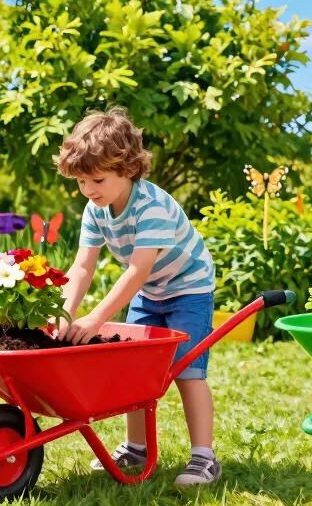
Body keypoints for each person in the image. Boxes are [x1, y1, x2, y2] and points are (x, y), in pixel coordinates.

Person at [54, 106, 220, 486]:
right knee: (134, 372)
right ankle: (136, 447)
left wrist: (95, 319)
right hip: (150, 291)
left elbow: (137, 270)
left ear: (127, 169)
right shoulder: (95, 209)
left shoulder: (152, 207)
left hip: (188, 289)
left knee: (187, 370)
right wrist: (66, 311)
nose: (88, 190)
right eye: (80, 182)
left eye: (96, 179)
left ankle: (204, 458)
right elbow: (82, 267)